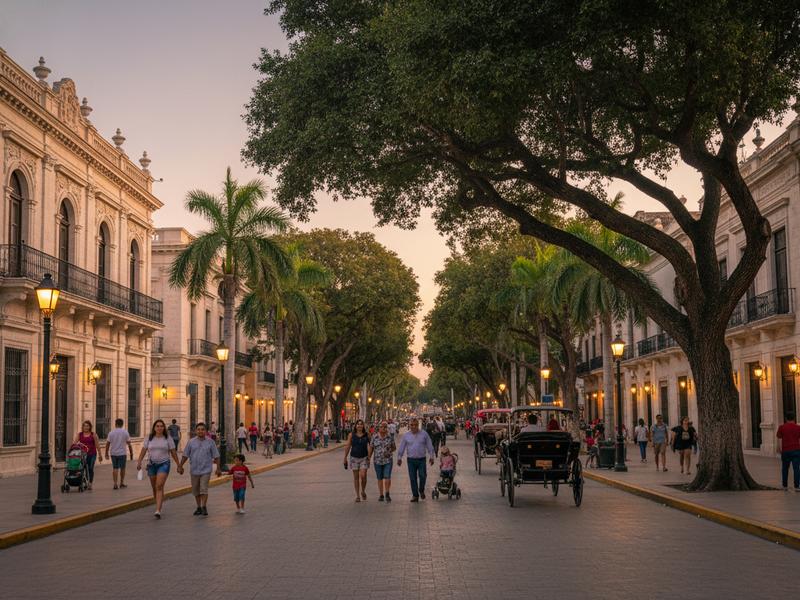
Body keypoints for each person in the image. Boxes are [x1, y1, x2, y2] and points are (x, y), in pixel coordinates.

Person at [136, 419, 180, 518]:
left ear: (164, 427)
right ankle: (158, 503)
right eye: (157, 426)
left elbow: (173, 452)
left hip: (164, 464)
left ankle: (158, 510)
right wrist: (139, 462)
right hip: (151, 465)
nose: (159, 428)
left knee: (159, 485)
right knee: (154, 487)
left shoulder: (168, 438)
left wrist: (178, 464)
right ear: (154, 428)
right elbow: (143, 450)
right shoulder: (149, 438)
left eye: (161, 426)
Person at [178, 423, 221, 516]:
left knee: (203, 488)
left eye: (202, 429)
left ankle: (204, 507)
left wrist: (218, 468)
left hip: (206, 470)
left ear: (206, 431)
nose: (200, 431)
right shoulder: (191, 442)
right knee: (196, 490)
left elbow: (216, 456)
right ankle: (198, 507)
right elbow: (185, 455)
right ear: (195, 431)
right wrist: (180, 465)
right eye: (198, 429)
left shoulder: (211, 442)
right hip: (194, 470)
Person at [397, 417, 435, 502]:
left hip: (421, 459)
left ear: (418, 425)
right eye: (412, 425)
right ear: (409, 425)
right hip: (411, 460)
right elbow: (402, 447)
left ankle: (421, 490)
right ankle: (415, 495)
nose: (413, 427)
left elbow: (429, 446)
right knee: (412, 478)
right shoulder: (406, 435)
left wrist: (432, 457)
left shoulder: (424, 434)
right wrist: (399, 458)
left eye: (415, 425)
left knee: (423, 476)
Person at [369, 421, 396, 502]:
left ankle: (387, 493)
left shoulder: (390, 437)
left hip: (388, 460)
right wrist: (368, 458)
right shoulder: (374, 437)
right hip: (377, 461)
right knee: (379, 478)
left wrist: (389, 450)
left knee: (387, 476)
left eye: (385, 427)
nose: (384, 428)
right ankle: (381, 495)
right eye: (382, 427)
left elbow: (394, 448)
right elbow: (371, 448)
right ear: (379, 428)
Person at [343, 419, 370, 502]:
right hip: (354, 458)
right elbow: (348, 446)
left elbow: (371, 446)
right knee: (356, 478)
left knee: (363, 476)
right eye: (358, 424)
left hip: (364, 458)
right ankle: (358, 495)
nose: (359, 426)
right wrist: (345, 458)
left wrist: (369, 456)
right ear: (355, 426)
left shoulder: (367, 435)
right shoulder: (351, 435)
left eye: (361, 424)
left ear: (363, 426)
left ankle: (363, 491)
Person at [105, 418, 134, 489]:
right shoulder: (125, 432)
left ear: (115, 424)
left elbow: (108, 443)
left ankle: (115, 484)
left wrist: (106, 453)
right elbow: (129, 444)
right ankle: (121, 483)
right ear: (122, 424)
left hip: (113, 453)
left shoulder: (111, 433)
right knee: (123, 468)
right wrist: (131, 453)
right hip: (122, 453)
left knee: (115, 468)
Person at [74, 421, 102, 490]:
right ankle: (84, 481)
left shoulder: (93, 435)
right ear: (82, 427)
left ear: (90, 427)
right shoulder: (79, 435)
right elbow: (74, 443)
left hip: (92, 454)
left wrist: (100, 454)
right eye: (84, 426)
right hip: (82, 455)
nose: (86, 427)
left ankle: (90, 483)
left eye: (87, 426)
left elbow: (97, 445)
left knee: (90, 468)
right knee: (82, 469)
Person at [777, 411, 800, 492]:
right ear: (794, 418)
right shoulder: (798, 427)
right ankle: (797, 486)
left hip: (786, 450)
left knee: (785, 469)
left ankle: (785, 486)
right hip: (796, 450)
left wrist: (780, 449)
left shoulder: (781, 427)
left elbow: (779, 439)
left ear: (786, 418)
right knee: (796, 469)